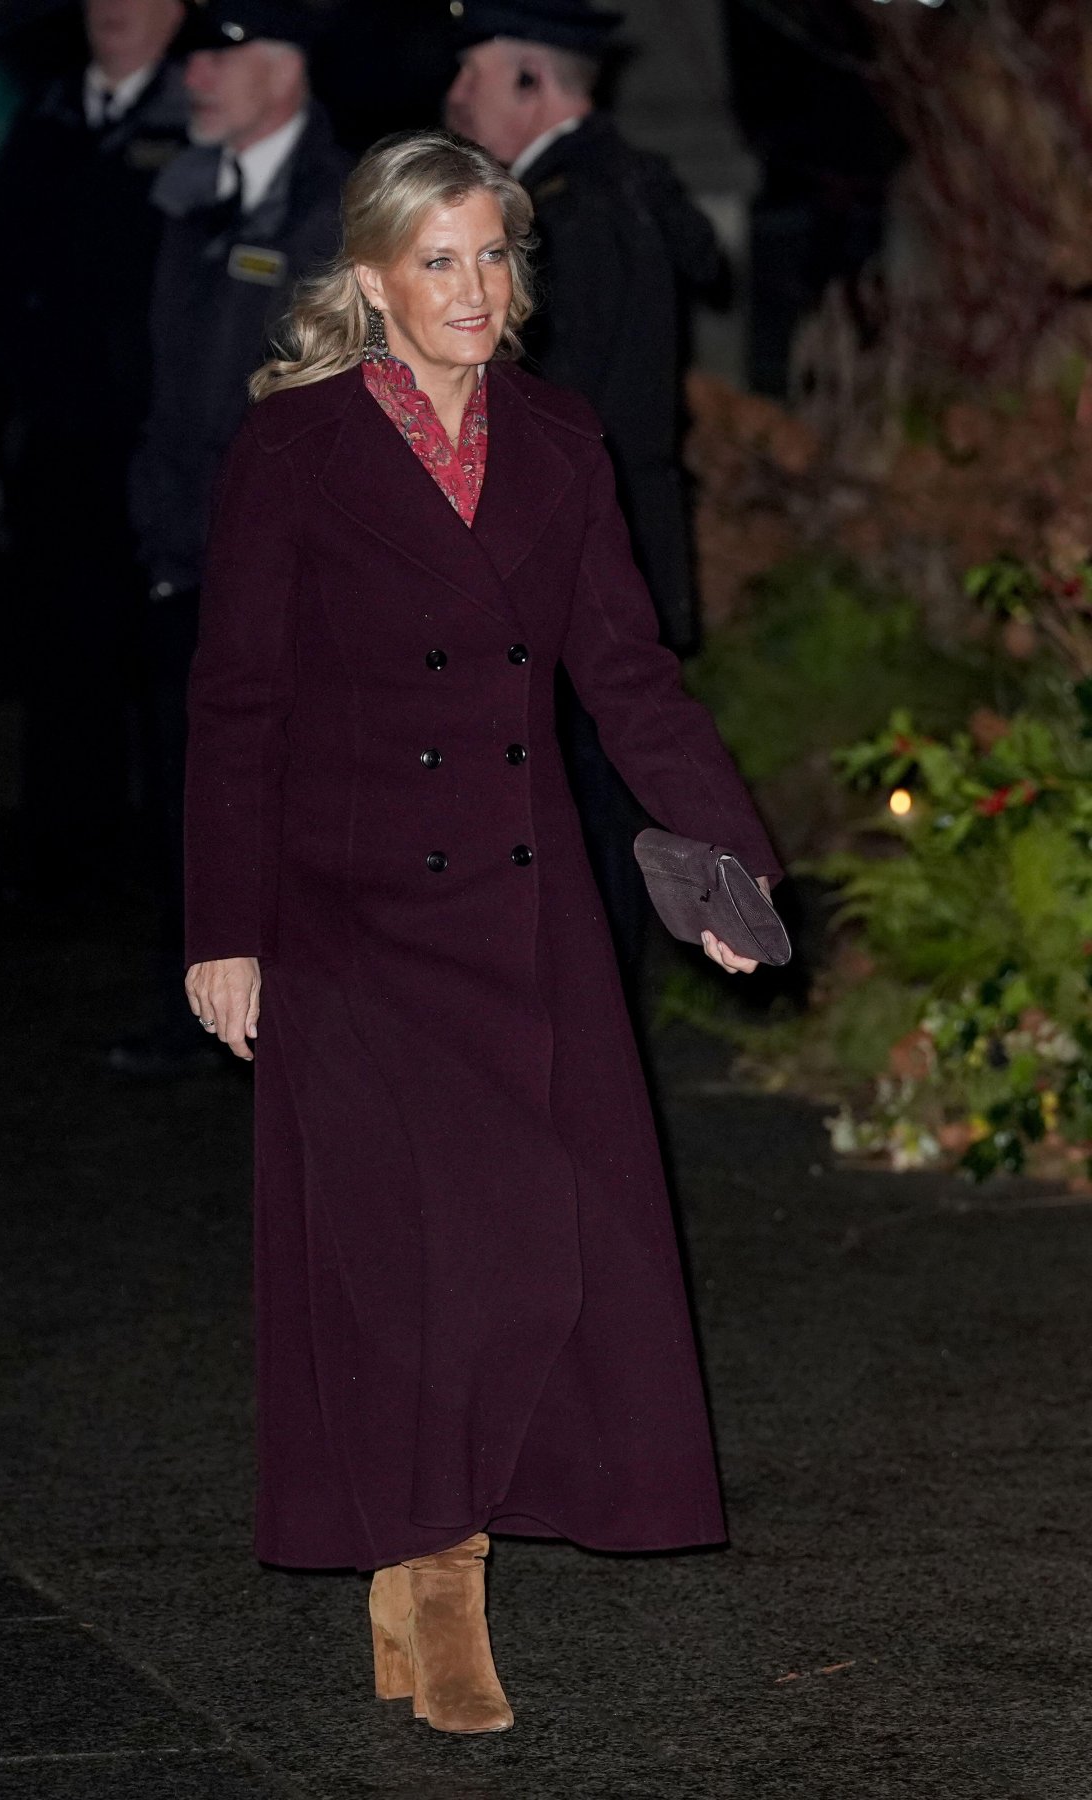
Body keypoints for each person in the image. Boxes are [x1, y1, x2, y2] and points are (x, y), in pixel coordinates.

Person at [181, 129, 781, 1734]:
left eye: (493, 255)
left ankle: (428, 1554)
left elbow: (629, 675)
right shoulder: (295, 447)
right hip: (347, 915)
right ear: (374, 283)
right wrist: (223, 928)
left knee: (546, 1241)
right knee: (405, 1260)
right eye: (437, 260)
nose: (473, 287)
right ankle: (437, 1576)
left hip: (521, 907)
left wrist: (725, 859)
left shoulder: (563, 439)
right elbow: (237, 704)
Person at [447, 0, 729, 965]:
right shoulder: (622, 181)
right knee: (594, 803)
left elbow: (554, 408)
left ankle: (588, 1016)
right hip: (613, 546)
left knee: (587, 813)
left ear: (533, 81)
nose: (456, 97)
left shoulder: (566, 212)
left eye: (475, 75)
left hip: (580, 561)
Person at [116, 0, 351, 1077]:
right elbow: (168, 385)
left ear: (284, 66)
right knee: (193, 788)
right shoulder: (191, 193)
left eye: (219, 55)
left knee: (302, 799)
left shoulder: (346, 211)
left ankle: (313, 1019)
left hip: (297, 574)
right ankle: (201, 1012)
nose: (193, 77)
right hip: (187, 558)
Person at [0, 0, 188, 899]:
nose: (115, 9)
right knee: (62, 654)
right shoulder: (45, 117)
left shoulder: (202, 115)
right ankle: (67, 863)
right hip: (61, 441)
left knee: (172, 661)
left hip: (164, 442)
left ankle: (175, 865)